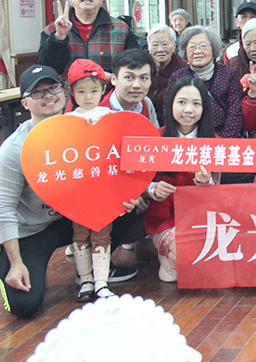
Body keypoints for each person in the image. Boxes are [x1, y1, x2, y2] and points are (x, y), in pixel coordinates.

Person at [0, 65, 142, 319]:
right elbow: (4, 208)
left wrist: (126, 196)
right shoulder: (14, 148)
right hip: (31, 231)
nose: (48, 96)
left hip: (72, 218)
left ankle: (92, 272)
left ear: (65, 93)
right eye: (37, 92)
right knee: (24, 304)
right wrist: (15, 263)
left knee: (132, 210)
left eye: (53, 88)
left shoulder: (86, 126)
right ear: (24, 103)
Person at [144, 77, 217, 282]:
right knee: (188, 261)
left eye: (196, 104)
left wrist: (206, 183)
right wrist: (152, 189)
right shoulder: (154, 138)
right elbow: (137, 182)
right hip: (164, 219)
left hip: (201, 220)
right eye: (182, 102)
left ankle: (172, 259)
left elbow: (219, 193)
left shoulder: (214, 143)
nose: (188, 110)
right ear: (171, 104)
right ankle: (169, 254)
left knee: (208, 267)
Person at [64, 60, 114, 301]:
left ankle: (102, 282)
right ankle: (85, 279)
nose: (88, 97)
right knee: (80, 234)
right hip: (79, 190)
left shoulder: (109, 116)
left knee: (102, 234)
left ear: (103, 90)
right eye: (81, 91)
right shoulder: (67, 120)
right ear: (72, 93)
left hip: (103, 190)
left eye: (94, 90)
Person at [37, 0, 139, 76]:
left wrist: (112, 78)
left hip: (108, 86)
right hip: (68, 87)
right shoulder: (52, 30)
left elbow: (135, 68)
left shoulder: (121, 30)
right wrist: (59, 38)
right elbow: (45, 71)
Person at [167, 26, 244, 138]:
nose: (197, 51)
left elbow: (235, 113)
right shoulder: (177, 77)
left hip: (221, 139)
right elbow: (168, 111)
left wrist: (224, 142)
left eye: (203, 46)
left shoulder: (229, 75)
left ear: (213, 48)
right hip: (186, 138)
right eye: (192, 47)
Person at [99, 49, 159, 125]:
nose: (136, 85)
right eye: (129, 77)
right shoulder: (99, 113)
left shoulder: (146, 103)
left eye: (143, 78)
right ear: (114, 79)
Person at [146, 24, 184, 123]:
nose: (160, 50)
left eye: (165, 44)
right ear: (148, 47)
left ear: (174, 46)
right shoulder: (142, 69)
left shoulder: (182, 71)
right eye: (155, 45)